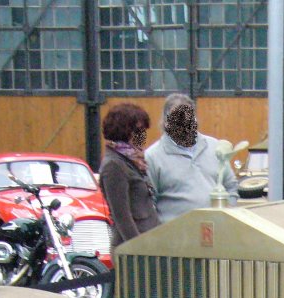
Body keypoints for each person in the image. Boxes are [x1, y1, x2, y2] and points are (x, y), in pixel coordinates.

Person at [145, 93, 239, 224]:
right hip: (177, 233)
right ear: (166, 122)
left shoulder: (215, 148)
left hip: (216, 229)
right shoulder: (152, 156)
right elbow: (148, 202)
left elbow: (231, 185)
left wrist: (227, 212)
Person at [99, 103, 160, 248]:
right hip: (132, 249)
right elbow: (122, 217)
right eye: (138, 130)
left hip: (149, 241)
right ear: (124, 131)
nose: (143, 135)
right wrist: (138, 248)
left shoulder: (134, 160)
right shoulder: (114, 165)